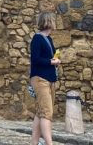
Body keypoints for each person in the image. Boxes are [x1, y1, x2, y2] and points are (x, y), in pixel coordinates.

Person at [29, 11, 61, 145]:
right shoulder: (37, 38)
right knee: (47, 113)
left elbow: (52, 56)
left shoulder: (49, 39)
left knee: (40, 112)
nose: (55, 23)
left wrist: (56, 59)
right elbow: (35, 59)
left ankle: (34, 142)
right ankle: (49, 143)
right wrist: (50, 62)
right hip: (40, 79)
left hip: (50, 79)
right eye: (53, 20)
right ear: (48, 22)